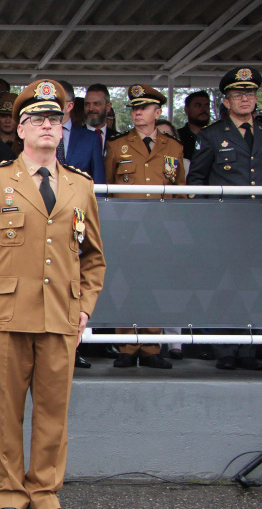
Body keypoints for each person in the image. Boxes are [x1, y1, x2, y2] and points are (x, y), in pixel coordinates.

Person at [0, 79, 105, 509]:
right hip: (7, 316)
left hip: (61, 313)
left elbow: (94, 255)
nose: (46, 126)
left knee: (53, 412)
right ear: (19, 129)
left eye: (54, 119)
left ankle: (45, 494)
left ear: (63, 129)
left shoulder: (80, 185)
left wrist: (86, 307)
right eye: (36, 119)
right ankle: (9, 496)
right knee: (7, 411)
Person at [187, 67, 262, 371]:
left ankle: (249, 349)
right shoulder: (212, 135)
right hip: (222, 224)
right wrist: (202, 222)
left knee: (256, 284)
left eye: (249, 93)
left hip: (261, 225)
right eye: (238, 95)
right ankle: (224, 347)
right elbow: (196, 181)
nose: (245, 99)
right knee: (224, 285)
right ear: (226, 101)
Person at [105, 84, 185, 370]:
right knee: (124, 284)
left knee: (156, 284)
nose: (138, 113)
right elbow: (108, 189)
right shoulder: (117, 145)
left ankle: (151, 346)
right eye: (135, 109)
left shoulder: (173, 147)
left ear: (158, 111)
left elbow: (179, 190)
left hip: (160, 228)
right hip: (126, 228)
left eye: (144, 108)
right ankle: (126, 346)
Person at [56, 80, 105, 184]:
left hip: (80, 199)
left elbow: (98, 180)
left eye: (57, 101)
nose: (51, 106)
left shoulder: (91, 138)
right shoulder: (37, 135)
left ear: (69, 106)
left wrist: (99, 200)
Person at [178, 91, 211, 161]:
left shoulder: (217, 136)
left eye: (206, 105)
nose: (203, 109)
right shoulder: (177, 137)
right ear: (186, 110)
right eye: (198, 105)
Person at [84, 83, 112, 154]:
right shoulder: (74, 136)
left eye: (96, 104)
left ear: (108, 107)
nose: (91, 108)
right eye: (87, 104)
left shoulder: (118, 139)